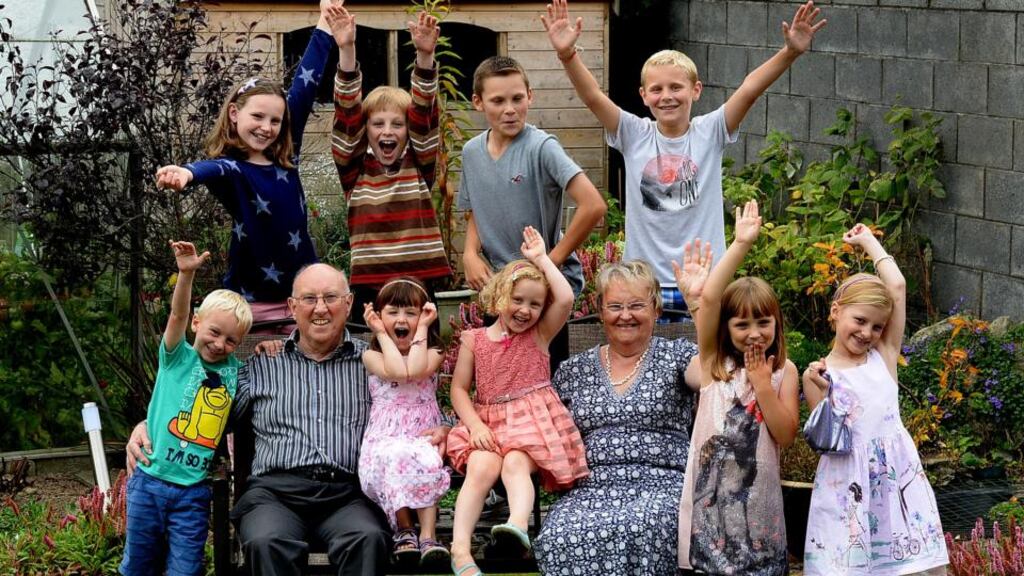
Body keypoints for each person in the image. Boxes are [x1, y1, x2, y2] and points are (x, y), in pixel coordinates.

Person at [126, 262, 451, 576]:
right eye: (309, 299)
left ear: (349, 303)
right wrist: (146, 426)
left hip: (346, 495)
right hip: (274, 495)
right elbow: (204, 404)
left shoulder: (373, 363)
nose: (320, 308)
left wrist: (446, 427)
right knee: (268, 541)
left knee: (368, 538)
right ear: (292, 307)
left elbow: (413, 402)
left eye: (331, 298)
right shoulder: (263, 364)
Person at [543, 0, 825, 319]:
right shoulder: (634, 134)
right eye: (657, 89)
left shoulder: (711, 131)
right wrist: (567, 54)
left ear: (696, 90)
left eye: (676, 87)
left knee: (705, 365)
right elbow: (593, 96)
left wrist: (789, 52)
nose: (667, 96)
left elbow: (749, 89)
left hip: (704, 281)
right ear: (643, 96)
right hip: (644, 284)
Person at [154, 1, 337, 331]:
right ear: (235, 114)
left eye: (275, 120)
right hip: (249, 304)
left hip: (300, 299)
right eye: (257, 116)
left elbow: (305, 86)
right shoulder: (234, 171)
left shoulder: (287, 153)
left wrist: (325, 22)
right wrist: (186, 172)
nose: (266, 127)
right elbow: (211, 168)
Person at [533, 259, 701, 576]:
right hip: (590, 488)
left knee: (644, 525)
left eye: (636, 305)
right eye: (615, 306)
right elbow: (538, 419)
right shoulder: (573, 370)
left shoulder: (676, 355)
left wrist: (698, 306)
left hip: (661, 486)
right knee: (560, 533)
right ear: (601, 310)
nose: (625, 315)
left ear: (655, 309)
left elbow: (711, 377)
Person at [801, 224, 948, 576]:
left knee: (908, 564)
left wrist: (868, 242)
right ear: (836, 312)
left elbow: (896, 285)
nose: (867, 332)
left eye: (877, 326)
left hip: (896, 479)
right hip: (847, 485)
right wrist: (818, 388)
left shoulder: (882, 355)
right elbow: (823, 441)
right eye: (860, 320)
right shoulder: (822, 374)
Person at [446, 226, 589, 576]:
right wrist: (475, 426)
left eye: (535, 304)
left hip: (531, 424)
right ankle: (460, 549)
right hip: (487, 424)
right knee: (481, 467)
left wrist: (541, 258)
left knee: (514, 465)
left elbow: (567, 299)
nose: (525, 310)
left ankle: (517, 528)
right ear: (498, 297)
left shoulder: (540, 335)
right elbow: (459, 390)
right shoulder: (474, 339)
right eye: (518, 300)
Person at [457, 54, 606, 373]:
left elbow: (593, 205)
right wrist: (469, 252)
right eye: (497, 100)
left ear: (530, 96)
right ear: (478, 102)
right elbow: (475, 210)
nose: (509, 109)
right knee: (496, 378)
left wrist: (548, 264)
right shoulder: (471, 152)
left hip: (543, 292)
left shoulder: (542, 147)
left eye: (517, 98)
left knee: (543, 379)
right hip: (497, 286)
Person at [675, 201, 799, 575]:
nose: (754, 333)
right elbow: (711, 298)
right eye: (741, 325)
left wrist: (763, 386)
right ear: (726, 329)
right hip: (710, 512)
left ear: (777, 324)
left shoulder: (784, 371)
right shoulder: (716, 365)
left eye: (763, 322)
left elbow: (786, 434)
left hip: (760, 506)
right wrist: (741, 244)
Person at [121, 241, 252, 576]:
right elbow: (176, 313)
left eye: (231, 340)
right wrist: (185, 274)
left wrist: (267, 345)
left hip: (193, 491)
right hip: (149, 481)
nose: (220, 344)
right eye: (214, 332)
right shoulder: (177, 356)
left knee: (185, 569)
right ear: (196, 323)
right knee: (137, 565)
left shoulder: (235, 371)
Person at [328, 5, 452, 310]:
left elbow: (423, 112)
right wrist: (346, 48)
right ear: (365, 130)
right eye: (378, 124)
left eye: (398, 124)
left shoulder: (418, 163)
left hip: (421, 279)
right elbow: (346, 115)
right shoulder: (354, 172)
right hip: (369, 283)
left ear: (409, 132)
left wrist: (424, 57)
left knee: (423, 349)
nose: (388, 131)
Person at [358, 276, 450, 566]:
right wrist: (380, 334)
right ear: (378, 317)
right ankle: (404, 530)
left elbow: (416, 370)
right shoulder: (371, 354)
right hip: (384, 436)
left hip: (423, 431)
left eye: (412, 313)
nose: (402, 319)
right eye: (393, 313)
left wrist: (423, 328)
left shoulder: (433, 352)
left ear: (425, 316)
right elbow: (399, 372)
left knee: (427, 459)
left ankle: (428, 535)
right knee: (393, 456)